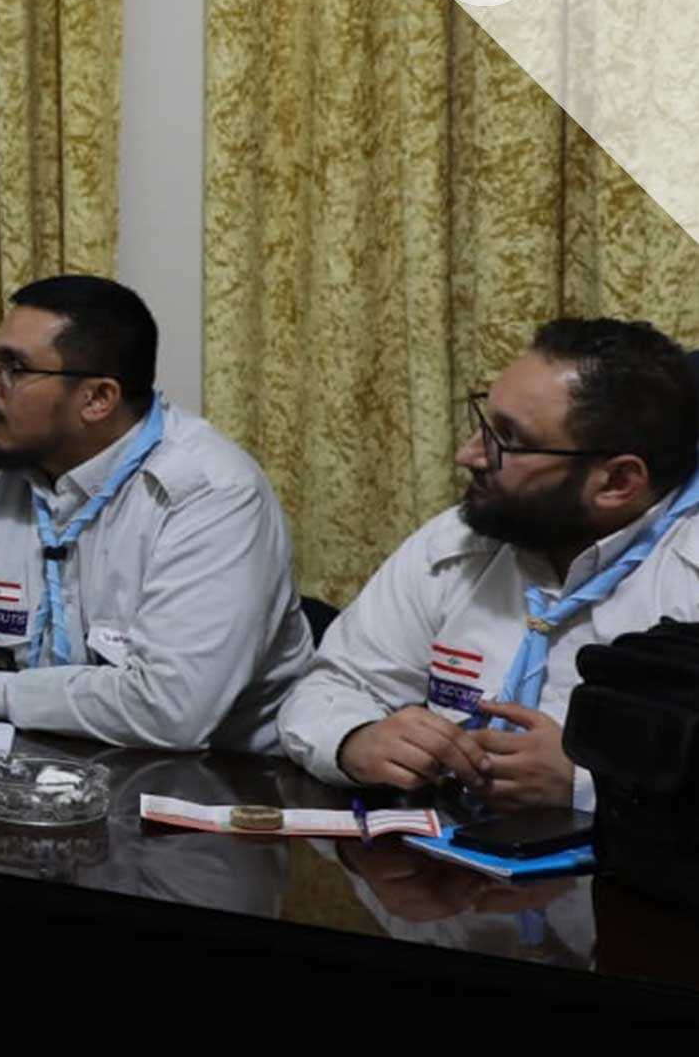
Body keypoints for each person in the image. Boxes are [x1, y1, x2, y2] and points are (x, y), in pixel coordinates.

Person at [0, 275, 310, 750]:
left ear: (97, 399)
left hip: (216, 788)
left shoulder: (211, 496)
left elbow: (171, 711)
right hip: (32, 776)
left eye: (13, 368)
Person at [278, 318, 699, 810]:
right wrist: (356, 738)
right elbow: (331, 685)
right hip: (436, 851)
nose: (468, 455)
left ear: (617, 482)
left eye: (509, 439)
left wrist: (590, 785)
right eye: (484, 421)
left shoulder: (685, 576)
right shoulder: (458, 541)